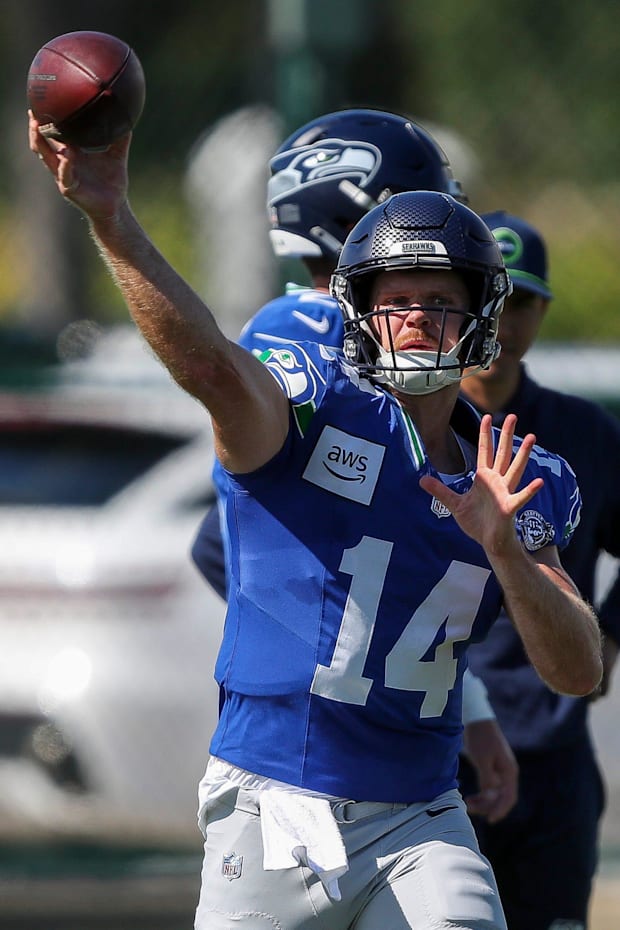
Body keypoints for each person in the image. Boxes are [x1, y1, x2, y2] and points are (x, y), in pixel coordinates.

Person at [30, 110, 603, 930]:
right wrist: (112, 217)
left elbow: (578, 670)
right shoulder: (313, 405)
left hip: (422, 814)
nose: (415, 318)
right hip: (273, 803)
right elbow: (212, 370)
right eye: (396, 300)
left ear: (481, 318)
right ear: (356, 313)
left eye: (440, 301)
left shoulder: (517, 476)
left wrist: (508, 554)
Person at [191, 108, 519, 827]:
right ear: (359, 212)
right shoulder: (306, 330)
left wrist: (461, 699)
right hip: (300, 756)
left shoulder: (378, 335)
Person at [458, 210, 620, 930]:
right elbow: (223, 546)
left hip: (553, 748)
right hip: (438, 748)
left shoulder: (583, 432)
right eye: (485, 298)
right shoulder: (413, 429)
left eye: (519, 301)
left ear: (543, 311)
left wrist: (605, 637)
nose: (501, 320)